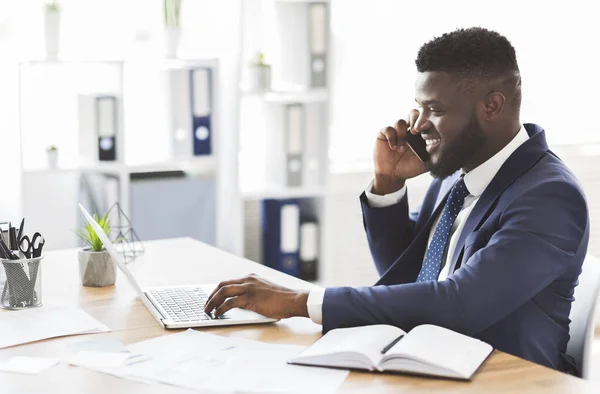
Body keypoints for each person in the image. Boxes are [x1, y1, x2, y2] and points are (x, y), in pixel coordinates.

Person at [205, 27, 589, 373]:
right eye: (418, 106)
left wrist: (301, 301)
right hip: (431, 364)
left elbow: (460, 303)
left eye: (434, 110)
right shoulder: (459, 174)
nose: (418, 124)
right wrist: (387, 184)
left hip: (502, 380)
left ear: (491, 106)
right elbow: (410, 275)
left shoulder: (549, 197)